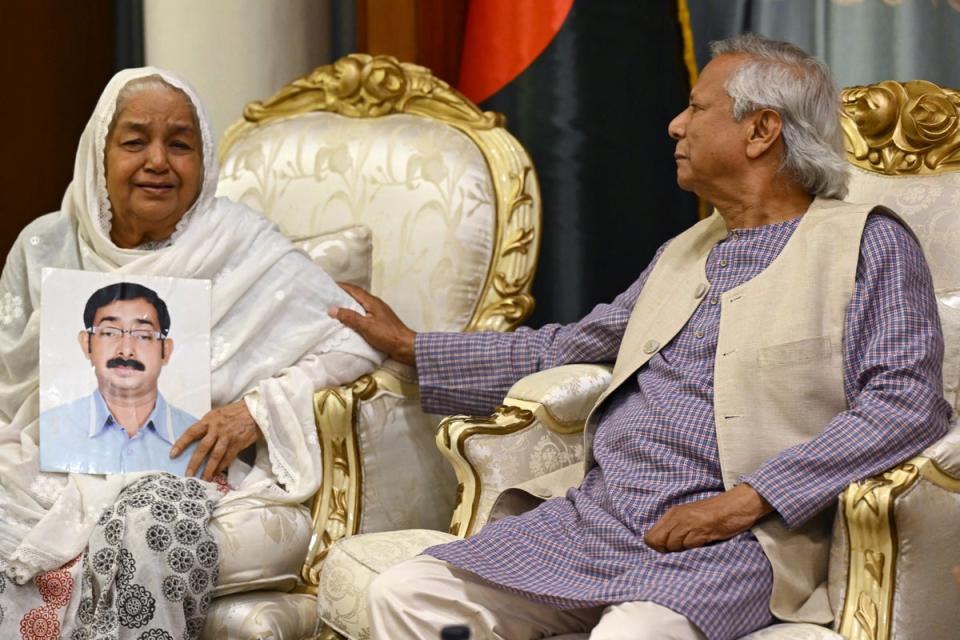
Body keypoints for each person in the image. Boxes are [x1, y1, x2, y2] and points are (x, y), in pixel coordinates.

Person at [332, 34, 952, 640]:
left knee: (635, 632)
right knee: (410, 594)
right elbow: (566, 347)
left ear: (761, 130)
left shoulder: (867, 245)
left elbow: (904, 403)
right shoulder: (681, 252)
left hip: (737, 540)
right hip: (597, 521)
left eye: (697, 109)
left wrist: (746, 500)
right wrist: (414, 346)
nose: (675, 126)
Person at [0, 68, 381, 638]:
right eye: (135, 141)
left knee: (147, 520)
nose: (158, 161)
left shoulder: (243, 243)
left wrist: (253, 411)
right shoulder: (44, 244)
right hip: (48, 461)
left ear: (203, 163)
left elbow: (353, 341)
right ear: (98, 155)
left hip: (186, 471)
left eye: (179, 144)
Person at [41, 282, 202, 475]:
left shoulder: (198, 437)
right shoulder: (50, 430)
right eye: (109, 332)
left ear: (166, 351)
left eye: (143, 335)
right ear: (87, 343)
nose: (126, 351)